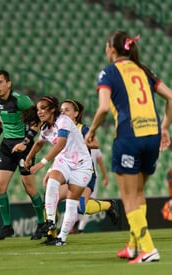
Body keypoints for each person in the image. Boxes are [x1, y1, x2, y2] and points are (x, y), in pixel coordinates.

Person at [85, 30, 172, 264]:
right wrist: (164, 127)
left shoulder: (109, 72)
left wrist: (91, 131)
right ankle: (134, 247)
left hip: (129, 135)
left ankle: (148, 248)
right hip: (152, 134)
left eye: (106, 47)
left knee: (128, 196)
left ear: (112, 49)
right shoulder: (143, 69)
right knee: (139, 193)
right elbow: (171, 97)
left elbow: (103, 108)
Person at [24, 96, 93, 246]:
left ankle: (61, 238)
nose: (39, 112)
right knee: (52, 181)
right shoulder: (45, 127)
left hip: (81, 165)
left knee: (71, 203)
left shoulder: (63, 121)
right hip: (65, 161)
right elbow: (39, 143)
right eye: (38, 109)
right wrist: (29, 157)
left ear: (53, 109)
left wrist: (42, 163)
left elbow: (60, 144)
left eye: (43, 108)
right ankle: (49, 221)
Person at [0, 70, 45, 241]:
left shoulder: (21, 100)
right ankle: (7, 227)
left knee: (29, 187)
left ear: (9, 83)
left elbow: (37, 122)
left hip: (24, 145)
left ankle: (42, 224)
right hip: (7, 146)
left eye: (0, 82)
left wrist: (25, 143)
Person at [59, 100, 118, 232]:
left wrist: (80, 142)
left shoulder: (83, 129)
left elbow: (96, 144)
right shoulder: (61, 129)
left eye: (67, 110)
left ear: (76, 113)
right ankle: (50, 233)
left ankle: (108, 205)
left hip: (85, 173)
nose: (62, 112)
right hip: (69, 172)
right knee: (51, 198)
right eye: (61, 110)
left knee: (80, 208)